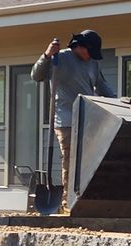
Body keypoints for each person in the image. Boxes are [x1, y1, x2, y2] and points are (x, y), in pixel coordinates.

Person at [32, 30, 114, 205]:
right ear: (79, 47)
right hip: (66, 121)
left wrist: (119, 102)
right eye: (89, 52)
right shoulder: (60, 58)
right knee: (71, 160)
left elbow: (102, 86)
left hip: (87, 118)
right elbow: (36, 75)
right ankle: (67, 201)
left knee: (89, 160)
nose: (91, 56)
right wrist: (47, 55)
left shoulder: (93, 63)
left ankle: (84, 197)